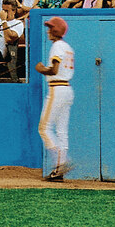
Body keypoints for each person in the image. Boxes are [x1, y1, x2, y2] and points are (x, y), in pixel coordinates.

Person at [37, 14, 75, 181]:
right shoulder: (67, 46)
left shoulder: (57, 46)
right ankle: (58, 171)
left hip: (57, 88)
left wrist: (41, 69)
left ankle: (61, 163)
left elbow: (53, 70)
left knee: (44, 128)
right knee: (61, 131)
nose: (48, 32)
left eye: (50, 28)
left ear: (55, 30)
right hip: (67, 89)